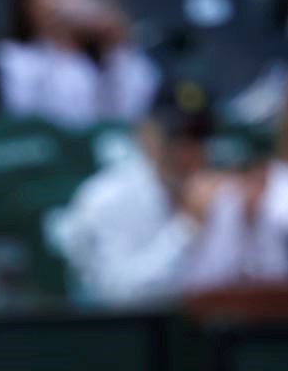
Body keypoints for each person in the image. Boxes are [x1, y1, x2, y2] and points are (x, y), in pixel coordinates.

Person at [59, 80, 288, 304]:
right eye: (176, 138)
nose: (187, 151)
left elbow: (260, 281)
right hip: (118, 327)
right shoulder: (106, 199)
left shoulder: (220, 195)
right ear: (146, 135)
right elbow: (119, 298)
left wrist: (251, 225)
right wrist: (186, 228)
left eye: (198, 137)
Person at [0, 0, 158, 129]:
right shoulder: (9, 57)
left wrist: (115, 43)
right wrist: (56, 38)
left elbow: (133, 113)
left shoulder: (103, 56)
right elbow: (24, 117)